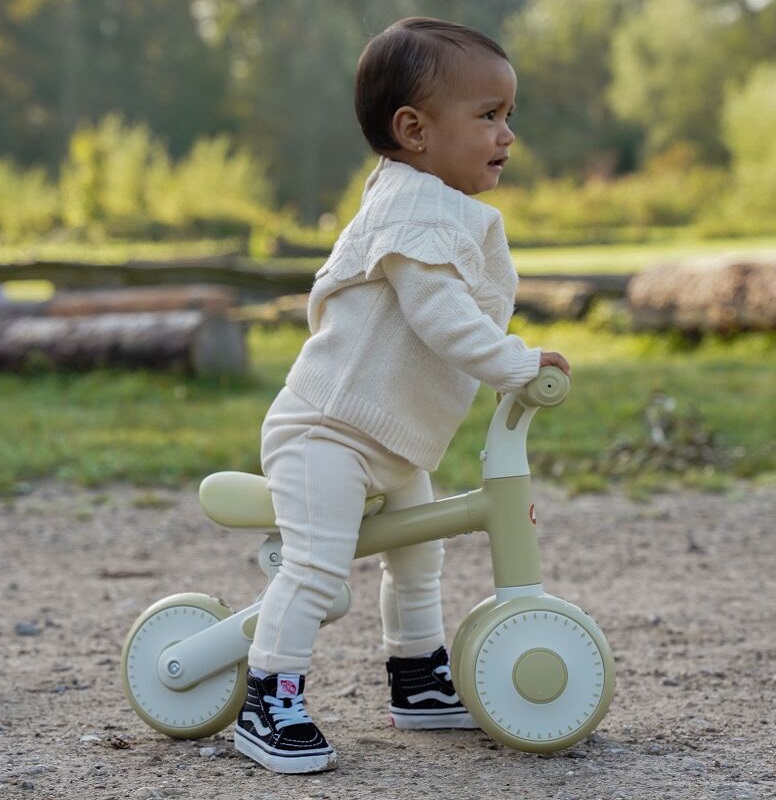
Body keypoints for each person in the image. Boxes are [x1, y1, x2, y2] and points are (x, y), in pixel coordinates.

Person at [234, 16, 571, 774]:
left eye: (508, 116)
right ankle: (266, 695)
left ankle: (416, 678)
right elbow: (442, 317)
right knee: (317, 570)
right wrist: (513, 364)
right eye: (488, 116)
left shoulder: (426, 199)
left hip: (390, 440)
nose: (507, 134)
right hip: (328, 432)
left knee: (421, 561)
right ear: (414, 130)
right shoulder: (412, 208)